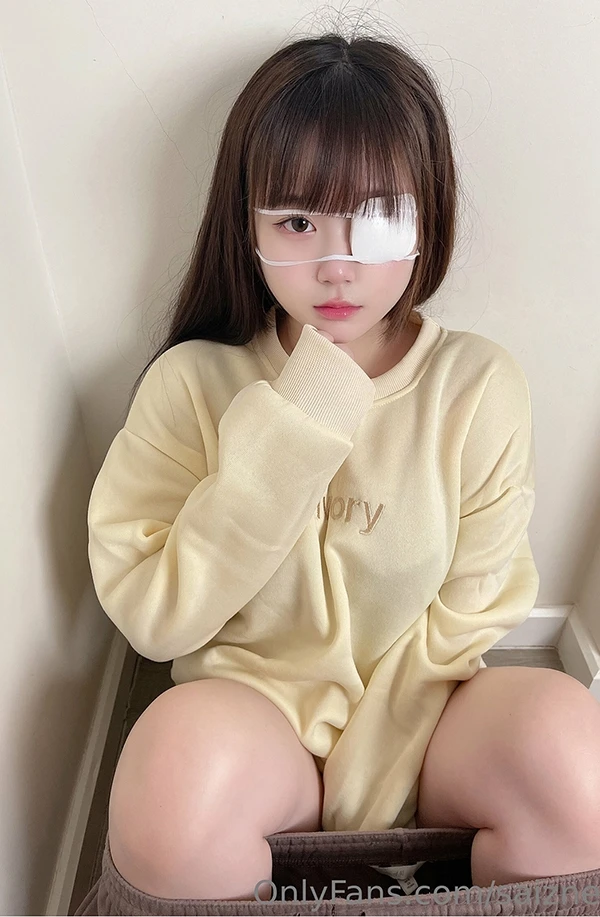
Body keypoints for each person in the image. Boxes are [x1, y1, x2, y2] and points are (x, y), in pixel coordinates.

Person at [81, 28, 600, 914]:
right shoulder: (191, 384)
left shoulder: (478, 385)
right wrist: (300, 417)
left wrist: (366, 780)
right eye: (296, 221)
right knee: (166, 785)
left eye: (378, 218)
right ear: (247, 227)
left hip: (431, 713)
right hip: (252, 708)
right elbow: (156, 618)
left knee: (575, 756)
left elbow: (470, 609)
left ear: (428, 216)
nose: (337, 265)